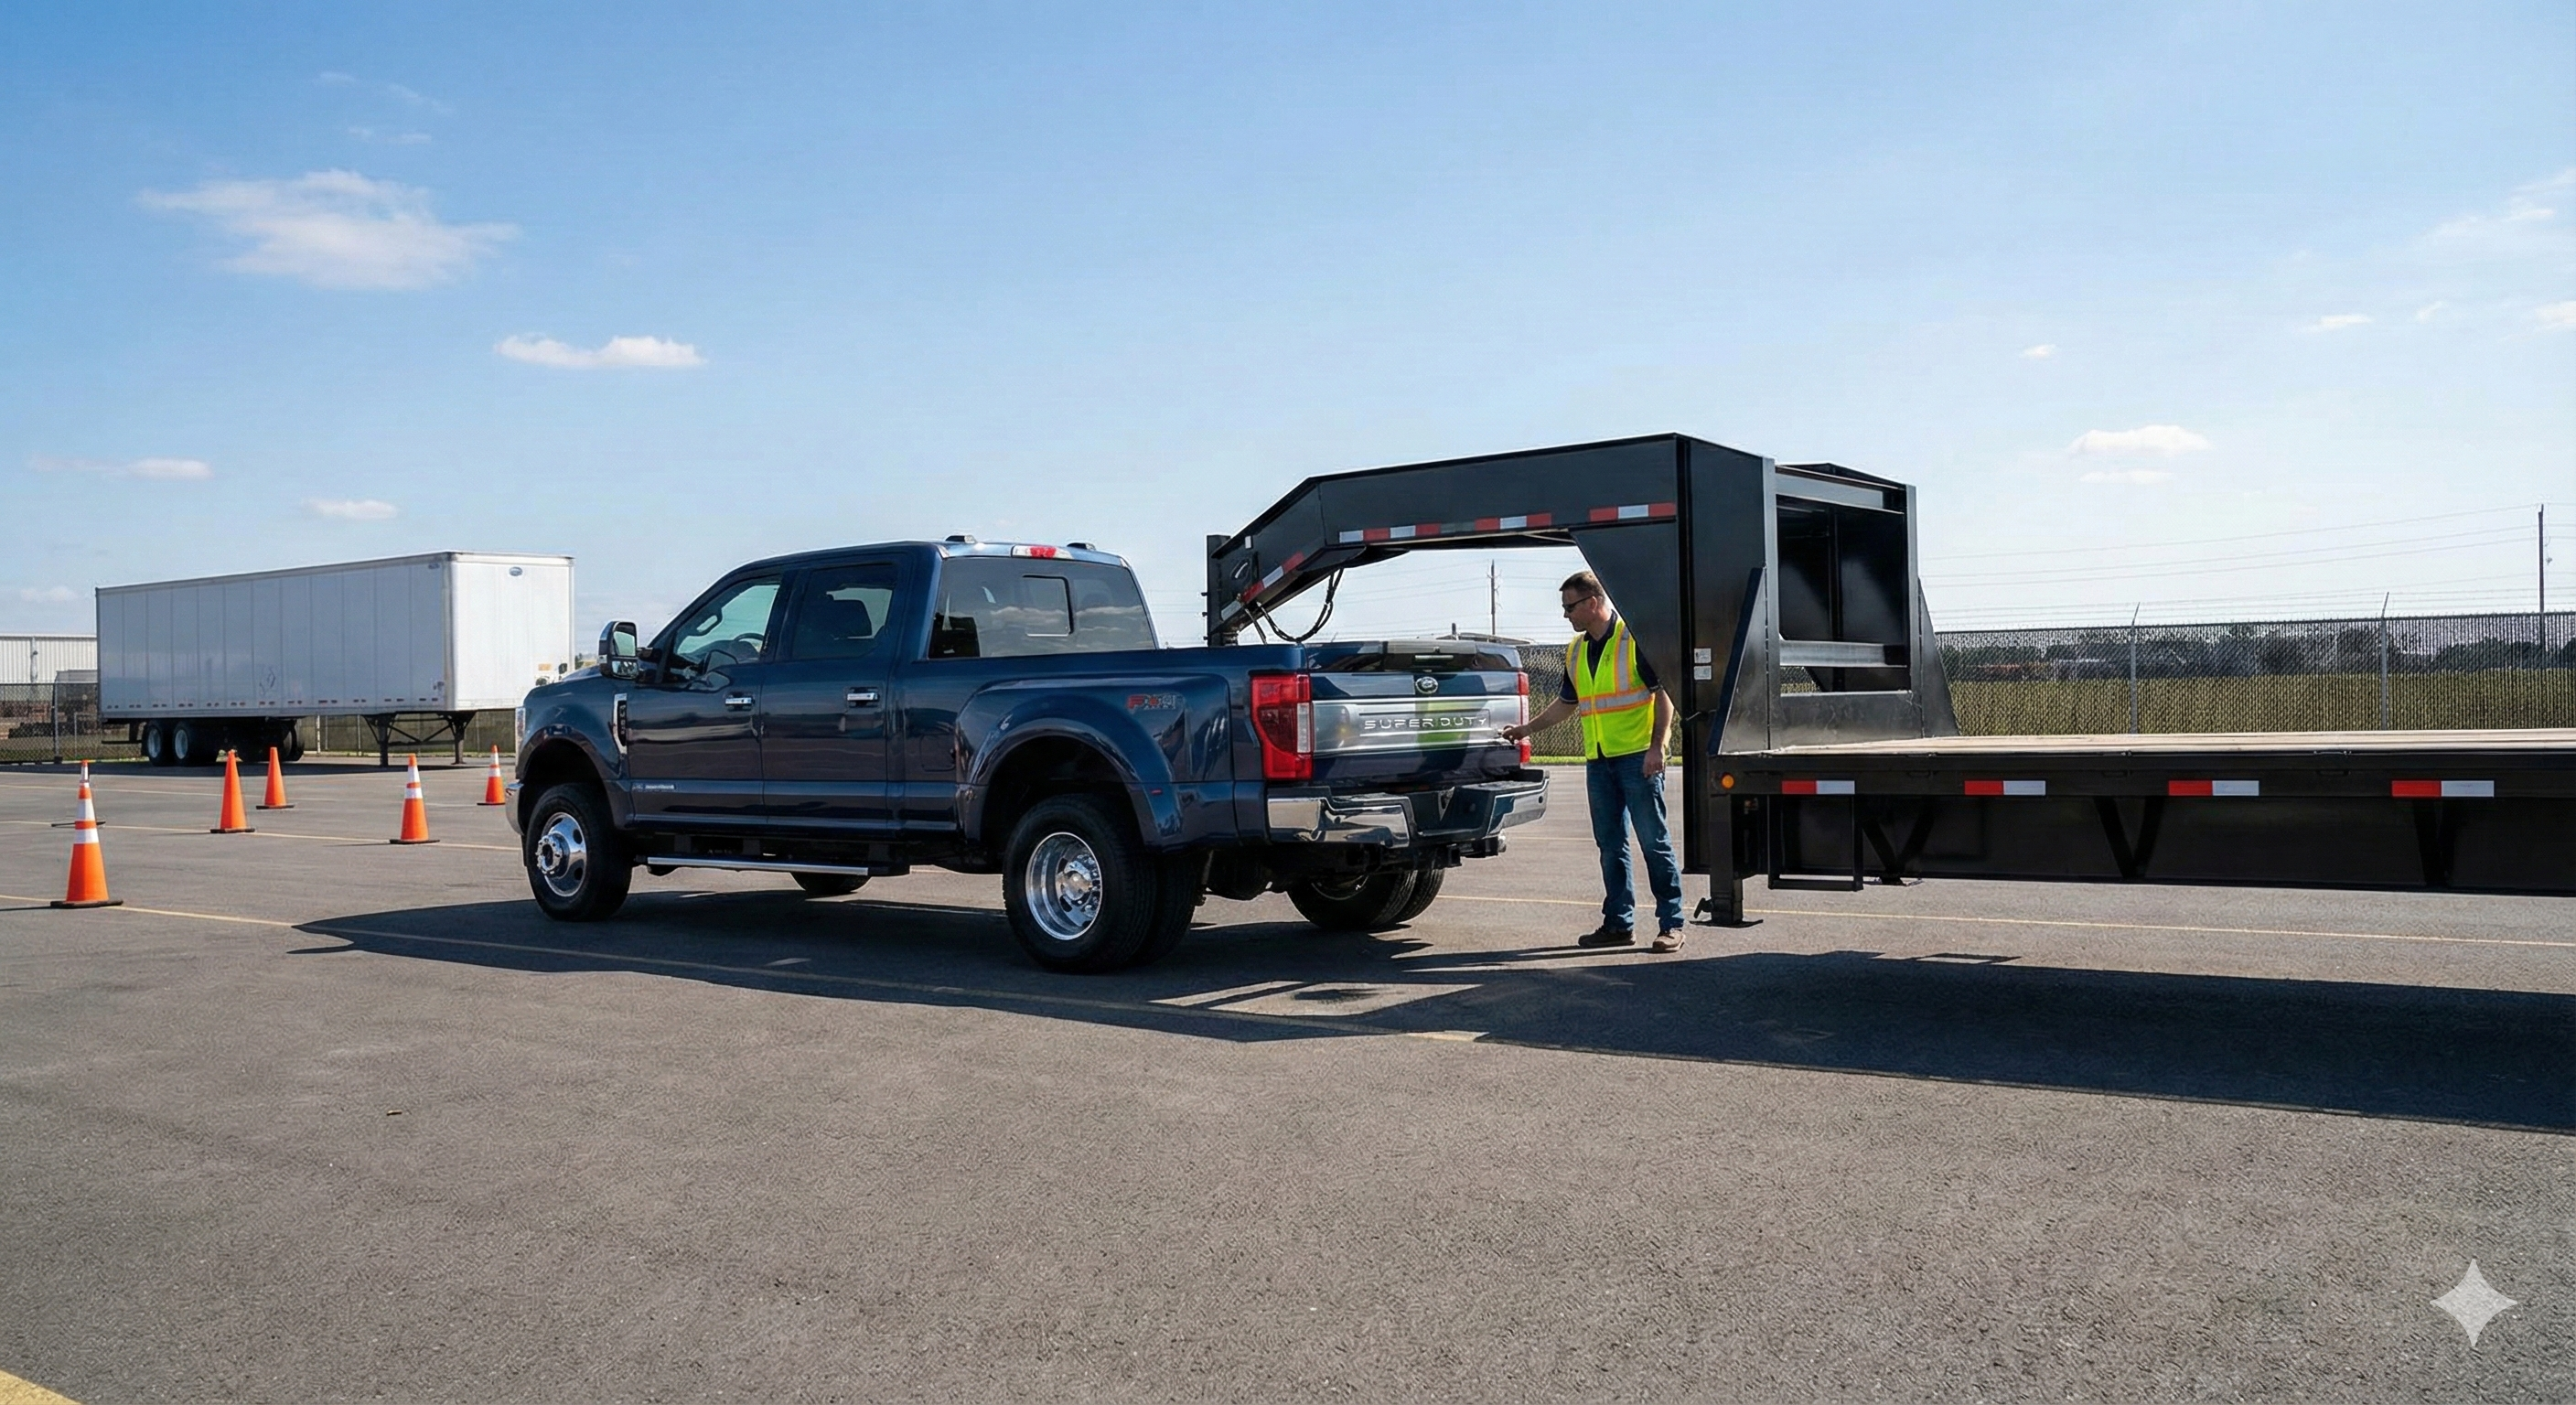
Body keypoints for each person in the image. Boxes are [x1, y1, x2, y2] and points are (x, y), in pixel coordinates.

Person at [1502, 571, 1687, 951]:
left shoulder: (1634, 640)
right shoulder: (1575, 650)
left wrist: (1658, 746)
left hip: (1637, 758)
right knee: (1610, 845)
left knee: (1654, 842)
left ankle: (1672, 923)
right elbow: (1566, 705)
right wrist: (1525, 729)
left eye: (1570, 607)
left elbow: (1664, 694)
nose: (1566, 615)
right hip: (1599, 761)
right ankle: (1619, 924)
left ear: (1592, 603)